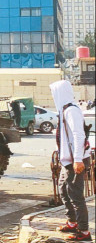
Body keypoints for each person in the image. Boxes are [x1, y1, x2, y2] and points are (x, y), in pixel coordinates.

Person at [50, 80, 92, 241]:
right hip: (68, 161)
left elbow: (78, 135)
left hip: (76, 160)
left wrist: (78, 160)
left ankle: (84, 231)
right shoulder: (64, 110)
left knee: (75, 195)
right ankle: (73, 222)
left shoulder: (71, 111)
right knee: (64, 190)